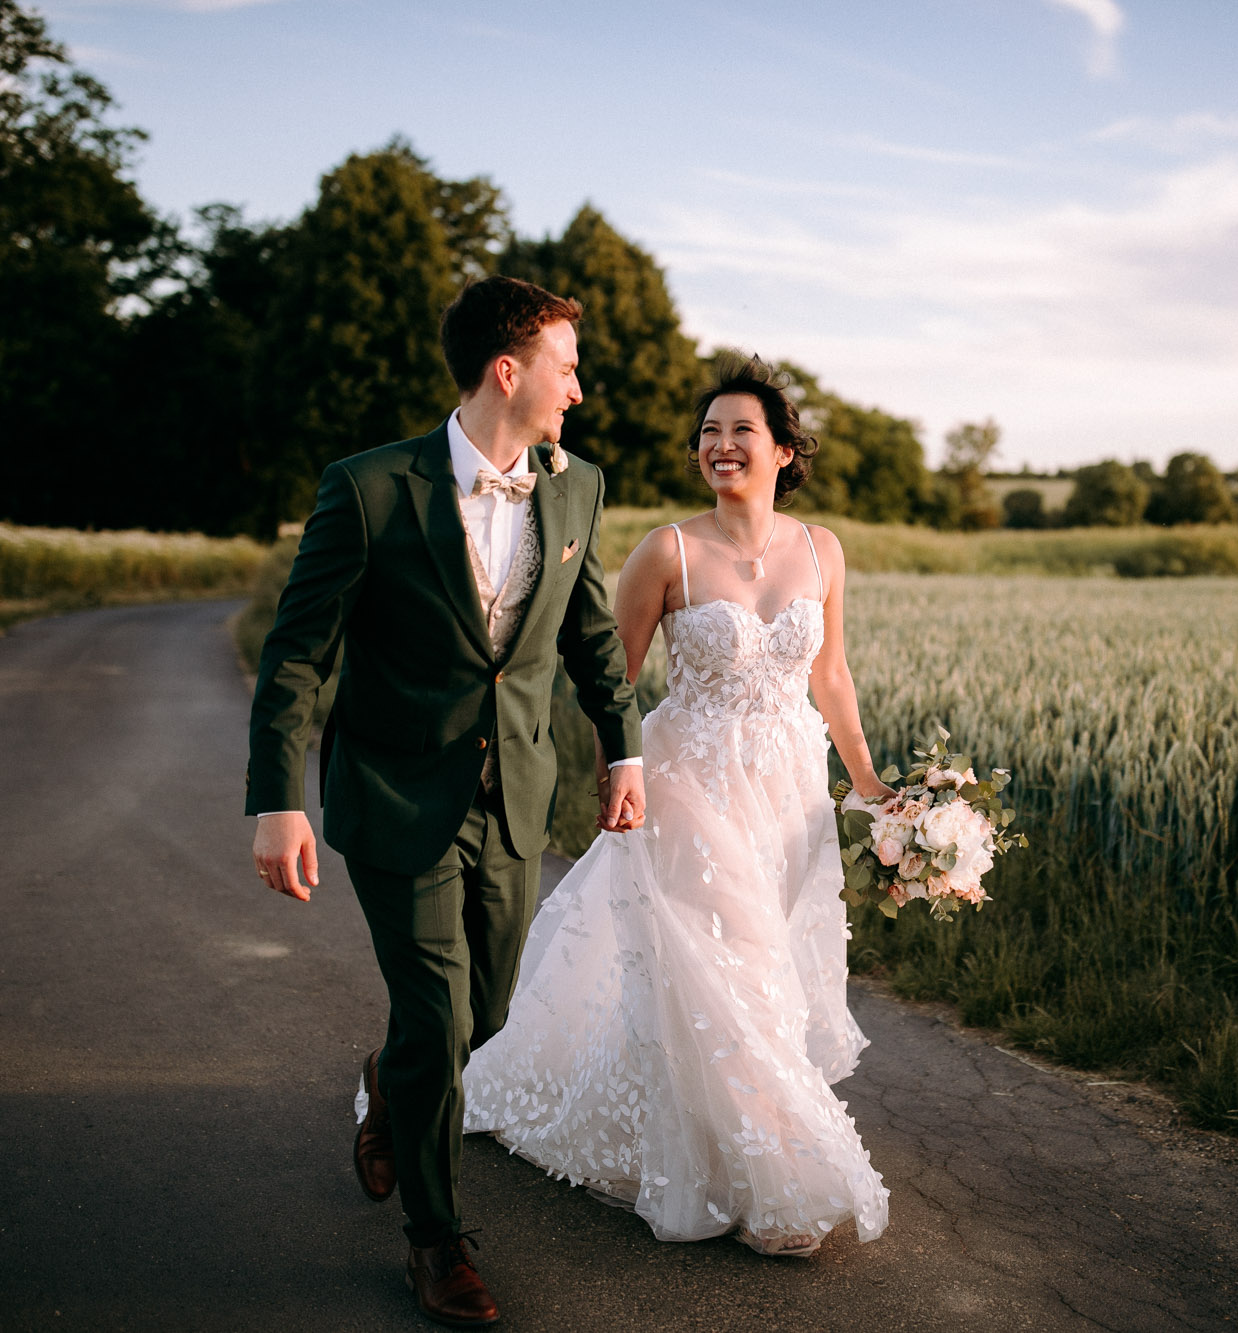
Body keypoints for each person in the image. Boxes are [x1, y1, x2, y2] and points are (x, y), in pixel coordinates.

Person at [245, 275, 645, 1328]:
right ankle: (437, 1239)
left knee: (486, 1015)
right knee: (436, 1005)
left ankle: (389, 1078)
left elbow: (589, 636)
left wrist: (624, 752)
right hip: (390, 793)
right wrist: (275, 798)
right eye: (565, 365)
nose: (579, 388)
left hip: (511, 796)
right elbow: (296, 653)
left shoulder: (575, 487)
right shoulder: (369, 487)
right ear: (506, 371)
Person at [459, 355, 894, 1256]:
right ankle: (774, 1177)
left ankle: (711, 1144)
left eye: (742, 430)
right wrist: (609, 775)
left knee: (762, 973)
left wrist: (869, 781)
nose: (722, 445)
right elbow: (605, 676)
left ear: (783, 450)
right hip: (687, 784)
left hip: (786, 791)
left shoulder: (823, 549)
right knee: (725, 973)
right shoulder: (669, 549)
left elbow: (833, 675)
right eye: (709, 433)